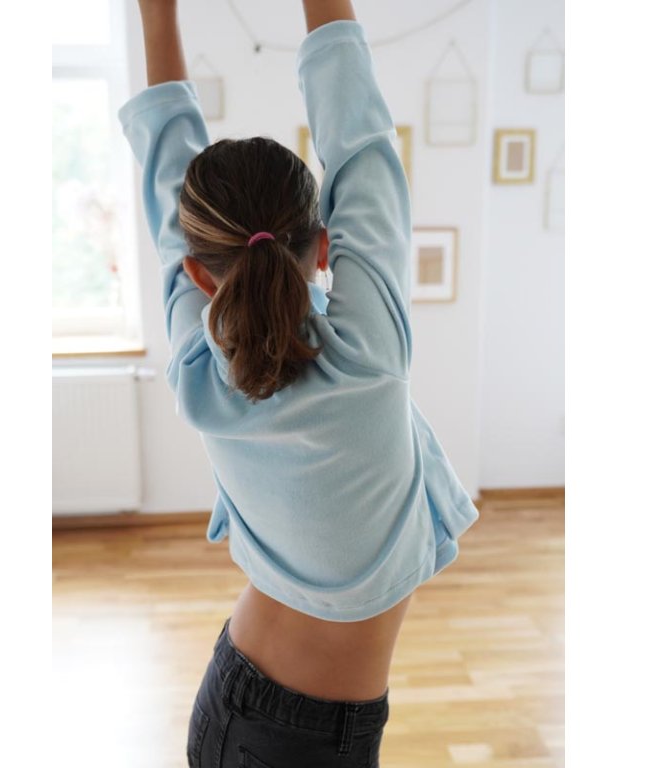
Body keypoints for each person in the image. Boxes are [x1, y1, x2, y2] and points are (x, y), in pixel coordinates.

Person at [119, 1, 479, 765]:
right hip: (287, 732)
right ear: (323, 249)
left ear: (197, 277)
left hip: (251, 706)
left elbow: (353, 149)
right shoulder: (365, 358)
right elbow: (355, 139)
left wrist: (155, 16)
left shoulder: (200, 371)